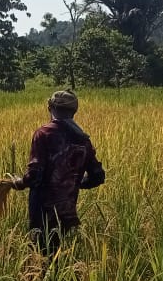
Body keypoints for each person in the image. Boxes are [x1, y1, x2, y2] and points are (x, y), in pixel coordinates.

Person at [11, 90, 106, 255]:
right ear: (74, 111)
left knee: (41, 256)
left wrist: (20, 182)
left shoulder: (44, 134)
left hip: (43, 211)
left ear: (50, 107)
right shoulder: (83, 139)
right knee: (57, 254)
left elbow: (34, 175)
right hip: (67, 210)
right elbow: (98, 176)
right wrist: (72, 182)